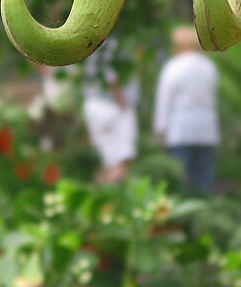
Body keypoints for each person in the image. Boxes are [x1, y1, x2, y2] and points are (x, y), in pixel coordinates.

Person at [153, 26, 220, 194]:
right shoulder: (208, 66)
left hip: (180, 128)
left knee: (180, 179)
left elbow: (164, 101)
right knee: (204, 180)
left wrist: (160, 129)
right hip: (206, 127)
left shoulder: (173, 67)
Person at [82, 39, 138, 184]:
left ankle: (102, 194)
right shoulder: (116, 42)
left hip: (95, 103)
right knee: (123, 159)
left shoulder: (93, 41)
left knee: (107, 159)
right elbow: (109, 74)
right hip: (113, 105)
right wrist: (121, 98)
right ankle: (112, 193)